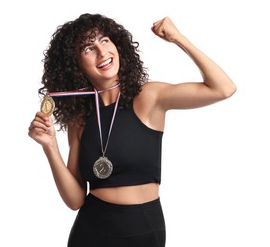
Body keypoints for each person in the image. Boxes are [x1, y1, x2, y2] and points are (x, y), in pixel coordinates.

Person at [28, 13, 236, 247]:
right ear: (75, 64)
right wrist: (50, 147)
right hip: (91, 229)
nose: (102, 52)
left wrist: (179, 38)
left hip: (144, 229)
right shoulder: (79, 119)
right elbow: (75, 200)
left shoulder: (148, 97)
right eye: (88, 48)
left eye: (104, 40)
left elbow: (223, 88)